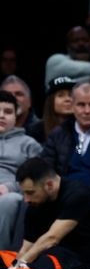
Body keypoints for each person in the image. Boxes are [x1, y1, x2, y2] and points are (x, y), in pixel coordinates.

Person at [0, 91, 41, 249]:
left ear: (16, 115)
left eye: (8, 112)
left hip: (12, 192)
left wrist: (9, 187)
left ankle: (2, 260)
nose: (2, 116)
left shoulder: (29, 144)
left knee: (9, 201)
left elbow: (37, 176)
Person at [29, 76, 76, 144]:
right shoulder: (36, 131)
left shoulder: (84, 127)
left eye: (71, 95)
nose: (67, 99)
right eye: (61, 95)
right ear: (51, 101)